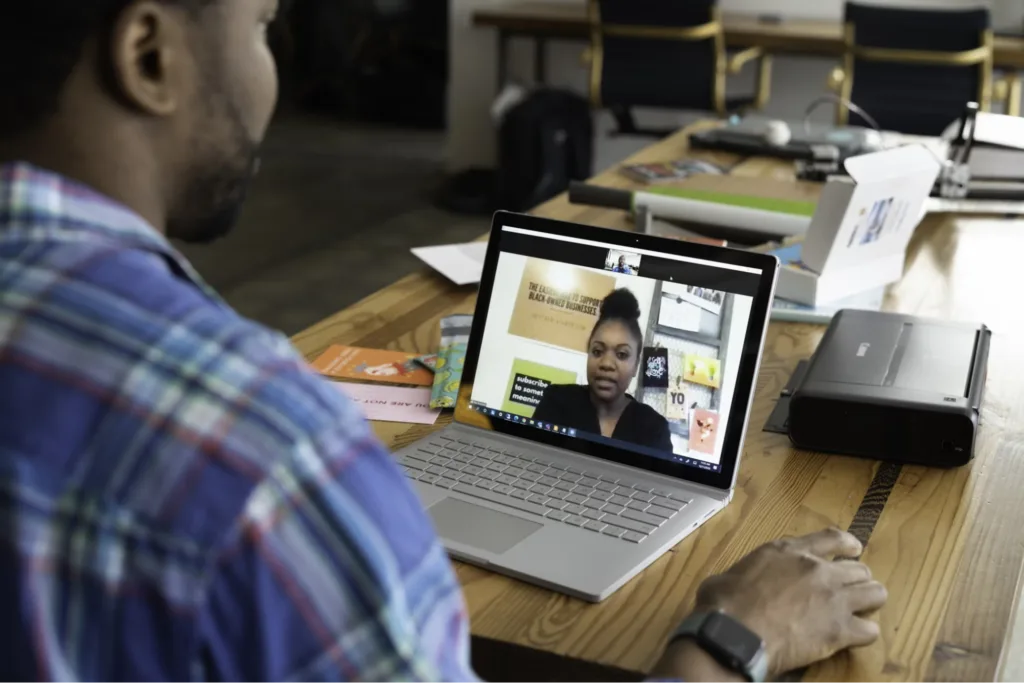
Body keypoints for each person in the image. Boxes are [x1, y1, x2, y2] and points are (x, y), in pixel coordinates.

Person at [0, 1, 887, 681]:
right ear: (150, 55)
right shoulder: (262, 454)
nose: (271, 75)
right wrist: (732, 638)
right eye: (265, 25)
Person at [534, 289, 674, 452]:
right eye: (597, 352)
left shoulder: (654, 429)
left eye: (621, 354)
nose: (606, 363)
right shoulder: (556, 402)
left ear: (636, 365)